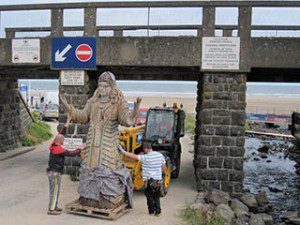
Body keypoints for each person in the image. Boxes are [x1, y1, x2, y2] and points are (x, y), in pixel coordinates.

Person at [118, 142, 166, 216]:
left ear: (146, 149)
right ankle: (158, 212)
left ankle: (151, 212)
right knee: (156, 196)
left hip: (149, 181)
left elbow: (133, 156)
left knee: (149, 196)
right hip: (158, 180)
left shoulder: (145, 157)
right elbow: (163, 167)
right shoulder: (160, 155)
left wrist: (122, 151)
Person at [46, 128, 85, 215]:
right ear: (60, 141)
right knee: (54, 191)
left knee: (56, 190)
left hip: (54, 172)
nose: (64, 141)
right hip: (55, 173)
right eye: (63, 140)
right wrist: (81, 148)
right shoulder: (58, 150)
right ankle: (51, 209)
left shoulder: (53, 145)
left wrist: (66, 126)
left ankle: (54, 206)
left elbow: (59, 134)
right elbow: (71, 153)